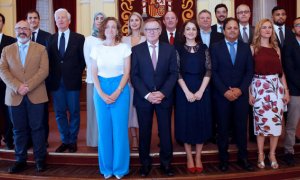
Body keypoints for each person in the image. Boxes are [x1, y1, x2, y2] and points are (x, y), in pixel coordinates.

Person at [131, 18, 178, 177]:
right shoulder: (136, 50)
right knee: (145, 132)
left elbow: (173, 73)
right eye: (149, 29)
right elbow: (134, 75)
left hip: (164, 98)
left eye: (155, 29)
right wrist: (148, 94)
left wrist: (162, 92)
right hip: (144, 99)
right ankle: (145, 164)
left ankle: (166, 164)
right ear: (145, 31)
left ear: (160, 31)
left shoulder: (169, 49)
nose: (151, 32)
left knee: (165, 132)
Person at [0, 20, 48, 173]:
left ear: (30, 31)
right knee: (18, 130)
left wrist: (28, 86)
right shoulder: (7, 50)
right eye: (19, 28)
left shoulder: (41, 49)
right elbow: (3, 70)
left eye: (25, 28)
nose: (22, 31)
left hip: (36, 94)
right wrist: (17, 86)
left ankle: (40, 160)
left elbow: (44, 70)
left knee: (38, 128)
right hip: (14, 96)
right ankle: (20, 160)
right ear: (15, 30)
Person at [211, 18, 254, 172]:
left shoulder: (245, 47)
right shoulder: (215, 48)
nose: (232, 30)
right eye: (229, 28)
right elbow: (213, 72)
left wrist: (240, 90)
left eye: (235, 28)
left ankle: (243, 158)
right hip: (222, 96)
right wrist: (225, 91)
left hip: (240, 95)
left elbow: (249, 71)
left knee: (241, 128)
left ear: (238, 30)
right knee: (222, 129)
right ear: (224, 30)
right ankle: (224, 160)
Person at [91, 17, 131, 179]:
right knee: (104, 130)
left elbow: (127, 72)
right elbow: (93, 73)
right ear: (103, 29)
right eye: (107, 27)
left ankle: (120, 168)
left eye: (114, 27)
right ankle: (107, 168)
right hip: (100, 88)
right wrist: (101, 93)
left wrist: (117, 91)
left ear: (118, 30)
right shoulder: (96, 48)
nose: (110, 30)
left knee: (120, 131)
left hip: (120, 89)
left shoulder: (124, 48)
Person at [249, 18, 289, 169]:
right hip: (259, 87)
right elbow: (248, 72)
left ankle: (272, 153)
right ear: (259, 30)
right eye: (264, 27)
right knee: (261, 125)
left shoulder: (276, 49)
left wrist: (286, 90)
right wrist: (249, 93)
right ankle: (260, 154)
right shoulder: (253, 48)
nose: (267, 30)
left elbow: (281, 72)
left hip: (276, 88)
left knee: (276, 124)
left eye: (269, 28)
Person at [175, 20, 211, 173]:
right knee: (186, 123)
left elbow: (209, 70)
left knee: (201, 122)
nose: (190, 31)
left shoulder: (204, 48)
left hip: (202, 88)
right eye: (188, 29)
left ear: (197, 31)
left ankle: (198, 157)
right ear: (183, 32)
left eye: (193, 29)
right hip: (184, 89)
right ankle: (189, 156)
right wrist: (187, 92)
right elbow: (176, 72)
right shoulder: (177, 49)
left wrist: (201, 91)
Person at [47, 8, 85, 153]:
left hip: (72, 82)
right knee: (59, 113)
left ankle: (73, 141)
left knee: (74, 112)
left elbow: (82, 61)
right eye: (58, 18)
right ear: (55, 21)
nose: (60, 20)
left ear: (69, 20)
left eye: (63, 17)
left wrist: (75, 74)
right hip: (56, 83)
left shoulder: (79, 38)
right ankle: (65, 140)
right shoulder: (50, 39)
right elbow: (48, 61)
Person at [26, 9, 52, 147]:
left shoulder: (48, 37)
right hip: (24, 83)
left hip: (42, 82)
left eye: (35, 18)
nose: (33, 20)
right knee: (27, 112)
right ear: (27, 20)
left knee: (42, 113)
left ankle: (43, 140)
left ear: (39, 20)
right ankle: (29, 139)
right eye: (30, 18)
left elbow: (50, 60)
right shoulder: (22, 36)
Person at [122, 12, 146, 151]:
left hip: (143, 80)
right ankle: (134, 138)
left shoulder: (145, 38)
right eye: (132, 20)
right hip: (128, 80)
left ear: (141, 22)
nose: (135, 22)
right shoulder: (124, 40)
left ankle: (144, 136)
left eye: (137, 20)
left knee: (141, 110)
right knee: (130, 109)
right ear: (129, 23)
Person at [83, 12, 106, 147]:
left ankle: (105, 140)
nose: (99, 20)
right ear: (93, 22)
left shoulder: (109, 38)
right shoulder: (88, 40)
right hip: (93, 81)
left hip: (108, 81)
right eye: (96, 18)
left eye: (102, 18)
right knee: (94, 112)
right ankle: (94, 141)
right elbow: (88, 61)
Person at [235, 4, 256, 143]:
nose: (243, 14)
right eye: (240, 12)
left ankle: (253, 135)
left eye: (246, 12)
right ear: (236, 15)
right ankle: (237, 136)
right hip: (237, 74)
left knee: (253, 105)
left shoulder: (257, 30)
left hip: (255, 73)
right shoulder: (232, 30)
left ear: (250, 14)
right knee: (238, 108)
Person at [283, 17, 300, 166]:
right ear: (293, 29)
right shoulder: (289, 45)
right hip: (296, 89)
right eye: (298, 25)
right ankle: (288, 151)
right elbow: (289, 69)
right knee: (292, 124)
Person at [0, 13, 15, 150]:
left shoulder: (11, 41)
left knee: (8, 113)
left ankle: (9, 139)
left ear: (3, 23)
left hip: (6, 84)